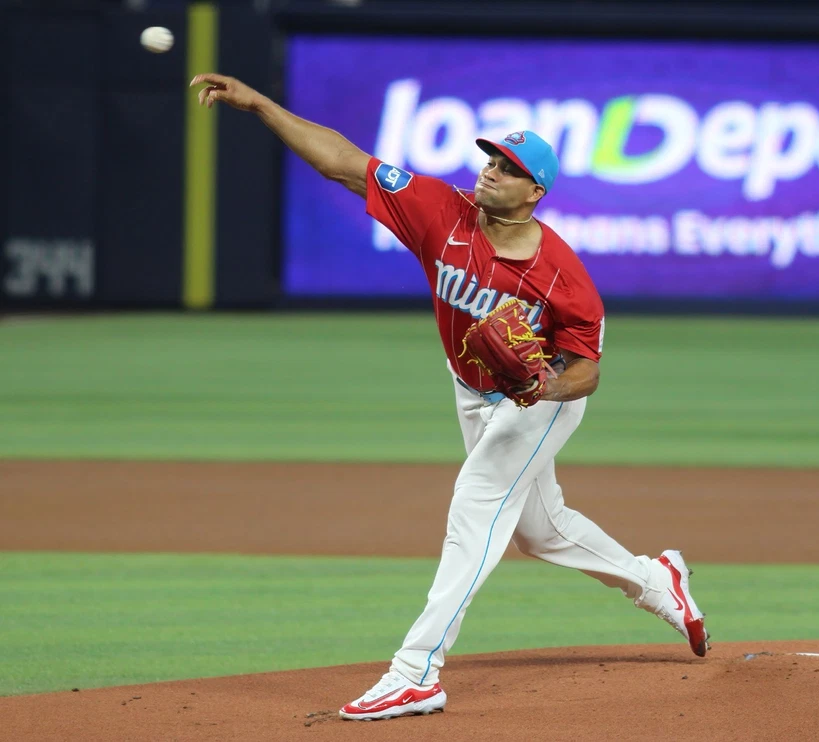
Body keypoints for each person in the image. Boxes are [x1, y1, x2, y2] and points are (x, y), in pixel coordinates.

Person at [191, 72, 710, 722]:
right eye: (492, 158)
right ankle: (658, 580)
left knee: (477, 505)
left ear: (535, 193)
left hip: (538, 400)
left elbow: (587, 372)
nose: (491, 171)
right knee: (541, 531)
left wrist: (545, 383)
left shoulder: (563, 277)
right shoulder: (443, 212)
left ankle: (416, 672)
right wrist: (261, 105)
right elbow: (346, 165)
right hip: (472, 389)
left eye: (510, 167)